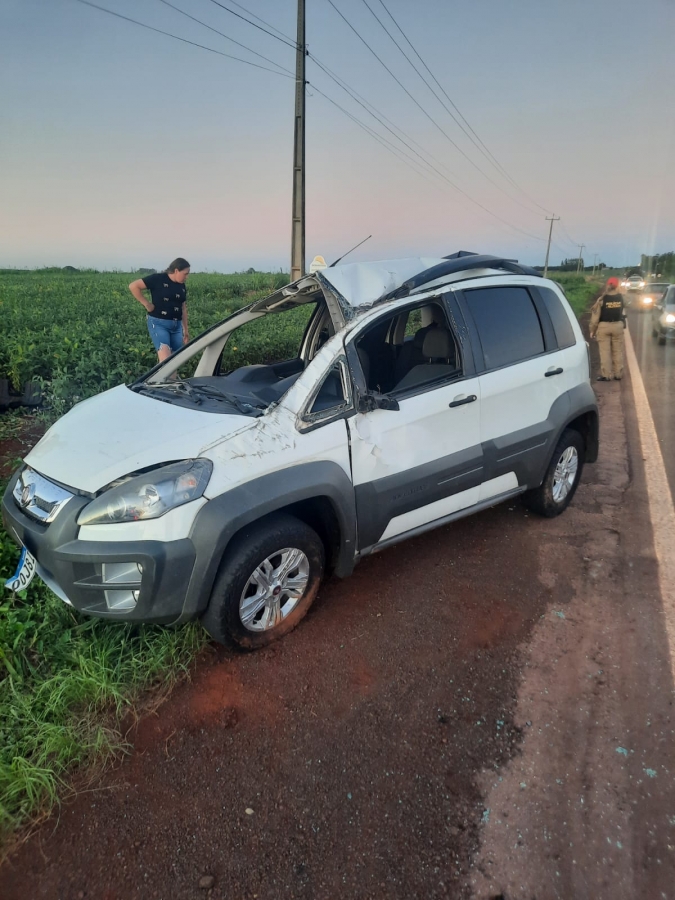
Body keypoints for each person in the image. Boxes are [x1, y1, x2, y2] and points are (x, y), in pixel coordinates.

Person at [129, 258, 190, 362]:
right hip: (159, 323)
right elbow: (133, 286)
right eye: (185, 274)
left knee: (174, 361)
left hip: (177, 326)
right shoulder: (158, 279)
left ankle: (168, 379)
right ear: (176, 271)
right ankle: (160, 378)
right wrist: (146, 303)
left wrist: (186, 329)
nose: (187, 277)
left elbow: (183, 308)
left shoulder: (181, 285)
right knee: (166, 360)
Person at [589, 276, 626, 381]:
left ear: (607, 285)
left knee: (605, 352)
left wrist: (592, 330)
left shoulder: (601, 299)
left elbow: (595, 318)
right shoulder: (621, 297)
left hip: (604, 327)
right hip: (618, 326)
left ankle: (607, 375)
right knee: (617, 351)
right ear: (617, 286)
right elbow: (627, 305)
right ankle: (618, 374)